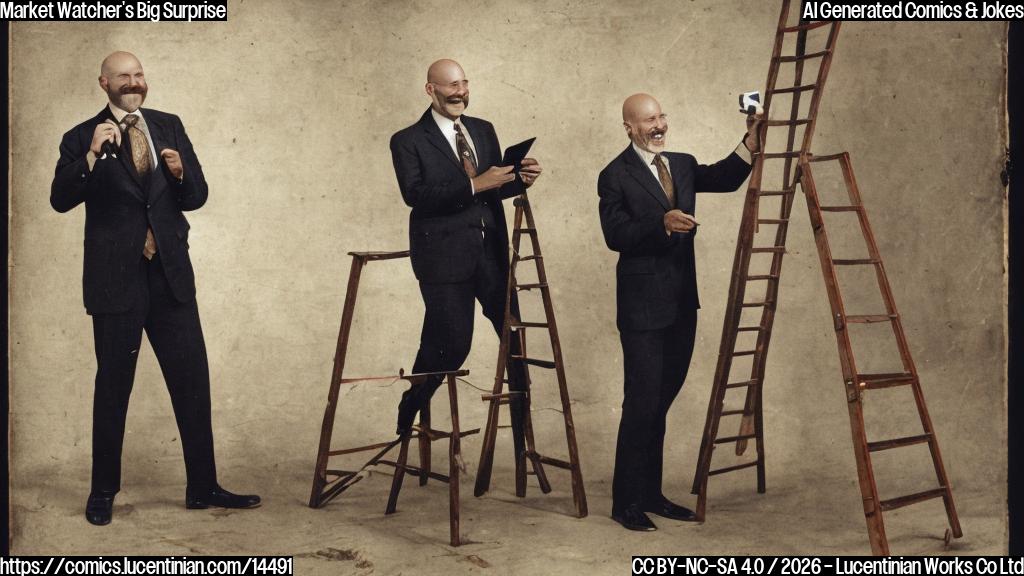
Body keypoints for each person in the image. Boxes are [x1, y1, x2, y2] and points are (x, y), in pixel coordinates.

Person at [50, 51, 260, 526]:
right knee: (113, 388)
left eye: (139, 75)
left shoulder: (169, 125)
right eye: (123, 76)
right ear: (104, 83)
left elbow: (196, 197)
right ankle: (103, 492)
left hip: (170, 276)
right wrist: (89, 156)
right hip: (115, 281)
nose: (134, 83)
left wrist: (182, 174)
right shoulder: (80, 136)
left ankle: (203, 486)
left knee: (192, 383)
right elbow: (60, 199)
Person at [598, 93, 761, 531]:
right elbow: (615, 234)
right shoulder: (614, 175)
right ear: (629, 127)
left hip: (682, 304)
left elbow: (725, 178)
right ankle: (625, 502)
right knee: (642, 401)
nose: (659, 126)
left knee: (661, 401)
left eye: (661, 117)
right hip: (641, 310)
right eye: (648, 120)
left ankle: (650, 494)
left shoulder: (683, 164)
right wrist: (661, 224)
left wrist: (750, 141)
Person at [389, 59, 542, 441]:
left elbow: (492, 189)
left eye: (464, 84)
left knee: (515, 346)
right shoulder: (407, 140)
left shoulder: (483, 129)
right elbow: (416, 195)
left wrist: (518, 181)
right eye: (451, 86)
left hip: (491, 257)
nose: (460, 93)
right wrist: (476, 184)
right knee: (451, 346)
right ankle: (412, 403)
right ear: (430, 90)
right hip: (443, 261)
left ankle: (523, 444)